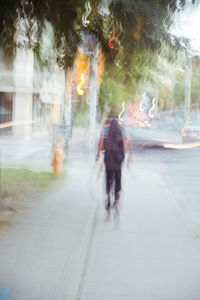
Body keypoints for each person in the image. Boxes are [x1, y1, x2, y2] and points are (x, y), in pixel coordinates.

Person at [96, 118, 132, 212]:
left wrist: (98, 154)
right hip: (119, 158)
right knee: (118, 176)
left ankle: (108, 198)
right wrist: (129, 155)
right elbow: (128, 142)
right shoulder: (122, 129)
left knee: (108, 177)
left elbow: (101, 142)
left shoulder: (105, 129)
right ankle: (116, 200)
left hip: (108, 157)